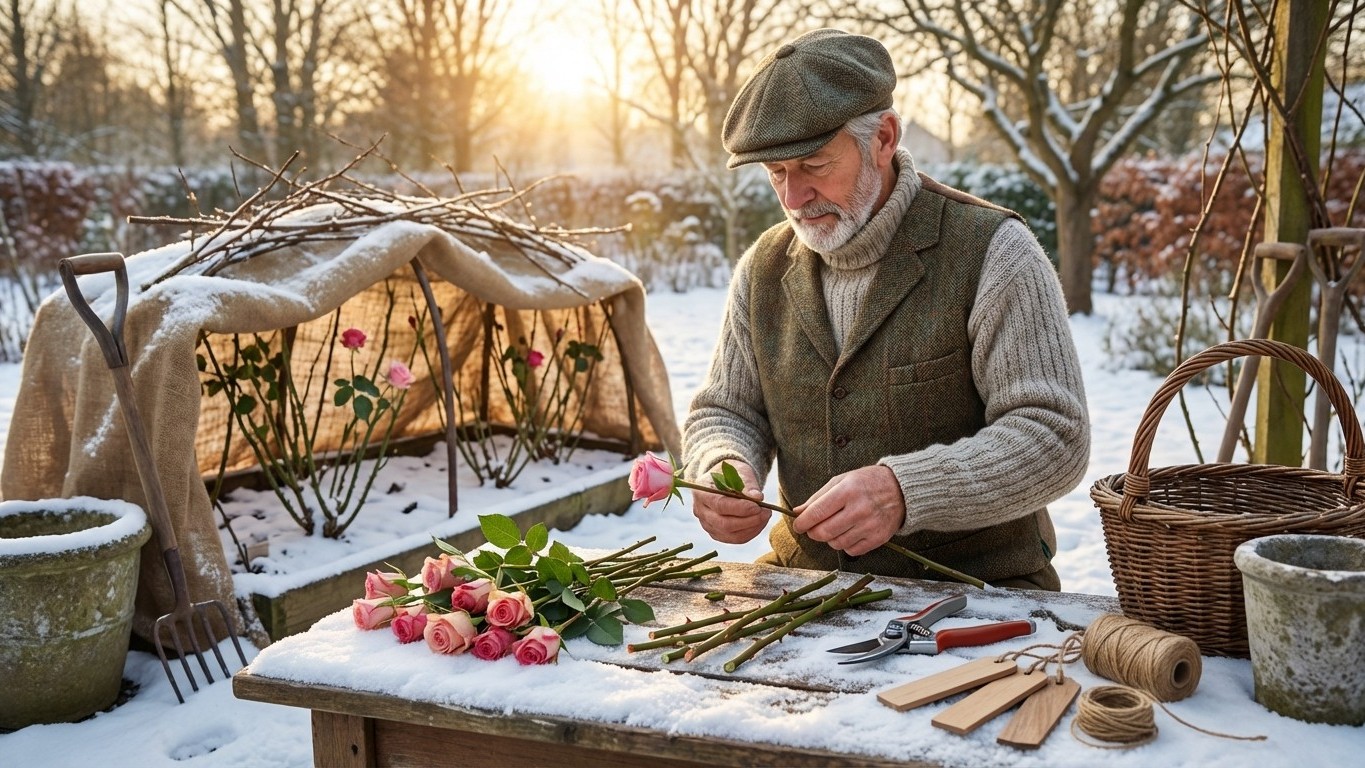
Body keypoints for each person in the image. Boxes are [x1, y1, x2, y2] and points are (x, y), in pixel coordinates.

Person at [680, 28, 1090, 590]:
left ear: (883, 138)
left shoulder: (994, 252)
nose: (792, 198)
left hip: (979, 599)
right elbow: (725, 410)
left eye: (814, 165)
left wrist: (905, 490)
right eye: (777, 174)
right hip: (804, 585)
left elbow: (1055, 435)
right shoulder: (763, 268)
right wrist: (720, 469)